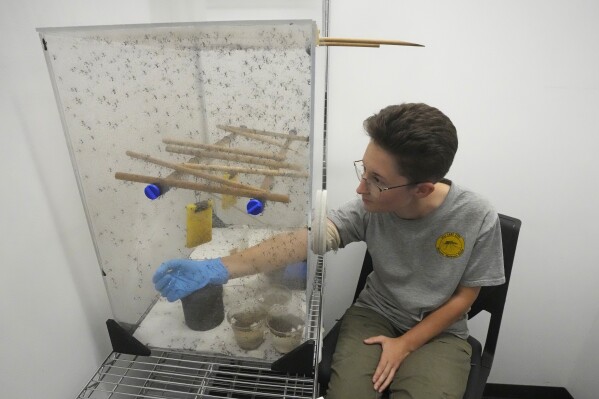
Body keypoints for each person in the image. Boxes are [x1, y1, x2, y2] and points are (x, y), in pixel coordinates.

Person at [152, 103, 505, 398]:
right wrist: (218, 268)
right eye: (364, 170)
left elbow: (465, 297)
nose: (361, 187)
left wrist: (407, 344)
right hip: (375, 314)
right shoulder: (367, 208)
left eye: (377, 180)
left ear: (423, 190)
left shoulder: (476, 216)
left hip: (439, 330)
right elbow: (303, 240)